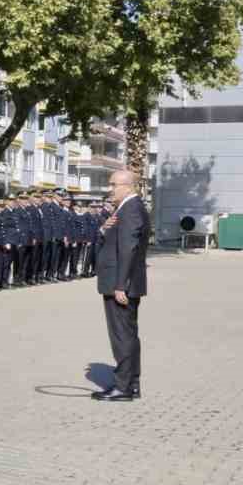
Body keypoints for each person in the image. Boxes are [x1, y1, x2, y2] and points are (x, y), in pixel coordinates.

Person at [92, 171, 148, 401]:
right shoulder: (125, 209)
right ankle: (131, 383)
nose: (110, 188)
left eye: (114, 184)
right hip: (122, 281)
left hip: (121, 283)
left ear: (129, 187)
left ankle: (123, 387)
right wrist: (104, 229)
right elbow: (117, 241)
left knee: (122, 336)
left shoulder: (131, 209)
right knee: (129, 335)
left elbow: (128, 249)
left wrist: (120, 285)